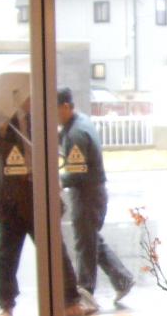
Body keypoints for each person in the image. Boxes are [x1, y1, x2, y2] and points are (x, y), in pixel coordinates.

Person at [0, 106, 96, 316]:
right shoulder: (0, 117)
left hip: (38, 196)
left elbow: (52, 150)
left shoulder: (40, 116)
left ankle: (70, 302)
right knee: (7, 254)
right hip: (9, 199)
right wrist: (1, 131)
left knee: (56, 249)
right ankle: (6, 305)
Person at [57, 87, 135, 304]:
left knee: (85, 244)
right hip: (93, 193)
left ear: (65, 107)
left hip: (87, 195)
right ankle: (122, 279)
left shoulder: (76, 133)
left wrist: (60, 181)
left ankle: (85, 292)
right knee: (90, 239)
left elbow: (78, 172)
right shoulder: (78, 123)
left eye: (54, 110)